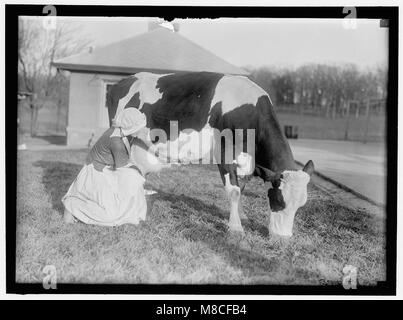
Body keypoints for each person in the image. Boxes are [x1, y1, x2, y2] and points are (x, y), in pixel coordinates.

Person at [62, 108, 155, 226]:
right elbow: (124, 170)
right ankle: (72, 205)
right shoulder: (116, 141)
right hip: (95, 175)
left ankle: (132, 212)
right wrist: (142, 171)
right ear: (129, 127)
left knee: (131, 193)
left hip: (107, 171)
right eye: (137, 128)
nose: (140, 130)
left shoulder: (121, 132)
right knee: (110, 215)